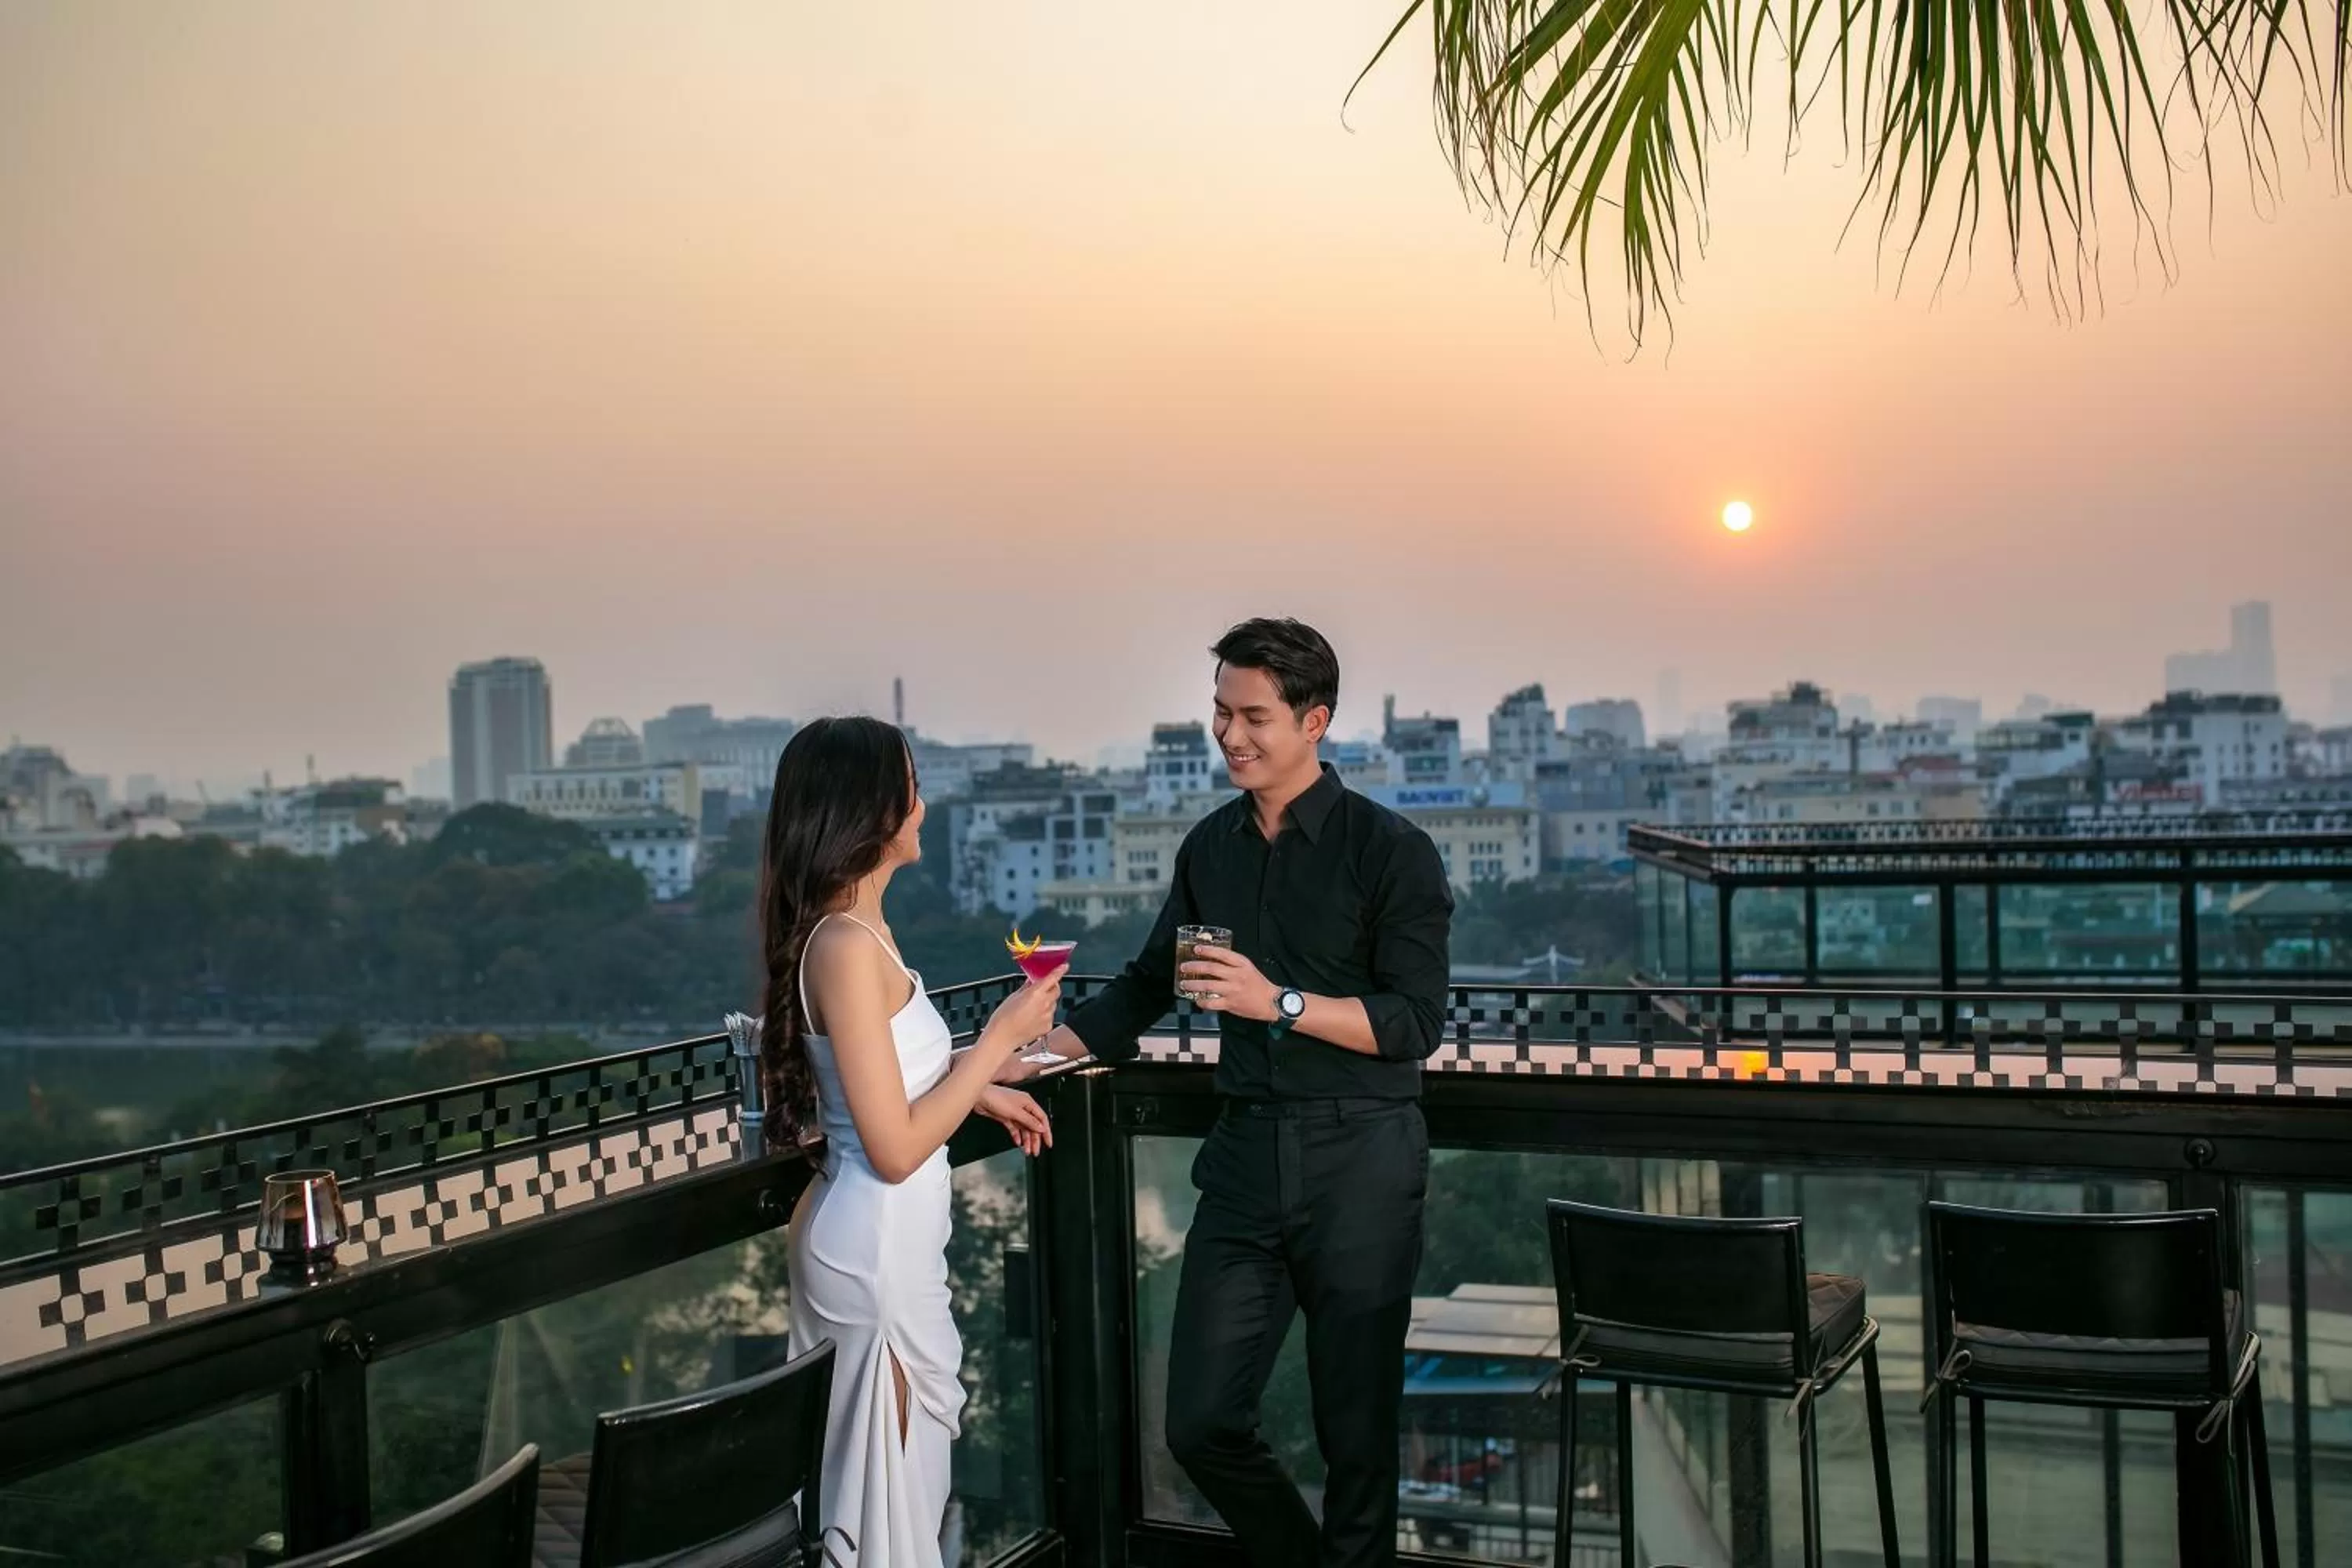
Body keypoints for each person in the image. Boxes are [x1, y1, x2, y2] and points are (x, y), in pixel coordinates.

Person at [1025, 619, 1454, 1568]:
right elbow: (1143, 986)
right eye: (1221, 711)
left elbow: (1415, 1021)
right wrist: (1026, 1060)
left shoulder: (1392, 850)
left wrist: (1278, 1001)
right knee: (1200, 1420)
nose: (1230, 734)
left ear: (1316, 720)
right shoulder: (1209, 845)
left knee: (1357, 1443)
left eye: (1254, 715)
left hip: (1364, 1161)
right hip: (1245, 1157)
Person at [758, 716, 1063, 1568]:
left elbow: (886, 1081)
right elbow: (891, 1146)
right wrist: (1001, 1036)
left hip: (889, 1238)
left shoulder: (865, 934)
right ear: (869, 808)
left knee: (903, 1493)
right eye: (912, 785)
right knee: (879, 1505)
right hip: (873, 1248)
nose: (924, 805)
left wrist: (978, 1082)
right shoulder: (846, 946)